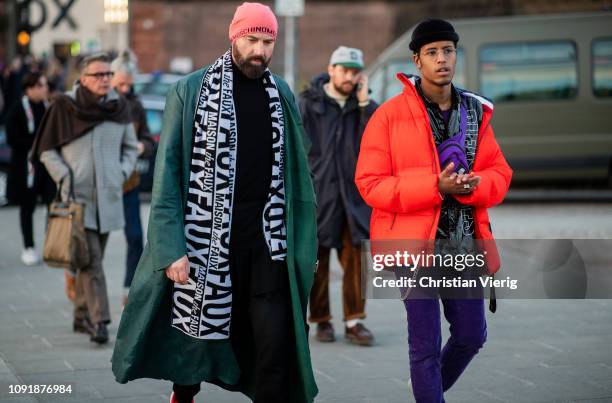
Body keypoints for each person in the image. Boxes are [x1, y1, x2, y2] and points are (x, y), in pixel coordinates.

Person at [111, 3, 319, 403]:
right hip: (205, 241)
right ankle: (183, 395)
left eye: (267, 41)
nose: (260, 50)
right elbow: (167, 174)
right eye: (252, 39)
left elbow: (298, 175)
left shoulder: (282, 94)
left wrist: (304, 241)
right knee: (194, 346)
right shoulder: (189, 90)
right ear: (234, 36)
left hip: (267, 241)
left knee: (275, 343)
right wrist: (172, 248)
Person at [355, 19, 512, 402]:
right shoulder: (388, 117)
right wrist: (433, 187)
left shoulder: (476, 112)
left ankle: (427, 388)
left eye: (448, 50)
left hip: (462, 247)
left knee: (472, 335)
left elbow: (500, 172)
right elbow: (370, 184)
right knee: (424, 345)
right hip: (414, 248)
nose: (441, 59)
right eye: (432, 52)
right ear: (417, 60)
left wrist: (474, 187)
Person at [33, 53, 139, 344]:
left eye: (108, 74)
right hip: (76, 199)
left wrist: (121, 171)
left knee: (89, 259)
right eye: (98, 75)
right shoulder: (64, 106)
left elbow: (131, 147)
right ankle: (99, 321)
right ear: (83, 78)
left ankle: (80, 315)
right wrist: (64, 176)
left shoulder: (119, 107)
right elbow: (45, 150)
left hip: (108, 197)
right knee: (92, 261)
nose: (105, 79)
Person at [299, 46, 377, 346]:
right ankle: (321, 321)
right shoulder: (309, 104)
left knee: (355, 259)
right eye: (344, 70)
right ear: (331, 69)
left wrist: (364, 104)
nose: (349, 76)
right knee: (316, 262)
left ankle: (354, 321)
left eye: (355, 71)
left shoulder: (365, 107)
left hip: (353, 198)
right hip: (319, 195)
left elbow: (379, 141)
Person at [110, 51, 155, 305]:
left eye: (129, 84)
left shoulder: (136, 105)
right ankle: (77, 278)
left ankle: (129, 288)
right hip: (102, 185)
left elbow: (148, 139)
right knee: (93, 240)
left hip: (129, 182)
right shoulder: (102, 103)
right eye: (121, 84)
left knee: (136, 236)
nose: (125, 89)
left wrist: (141, 146)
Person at [5, 72, 54, 265]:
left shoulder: (47, 106)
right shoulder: (18, 108)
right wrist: (35, 143)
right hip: (26, 168)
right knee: (28, 208)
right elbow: (12, 138)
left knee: (52, 205)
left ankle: (51, 247)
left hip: (47, 166)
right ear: (31, 88)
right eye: (42, 85)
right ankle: (28, 247)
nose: (45, 89)